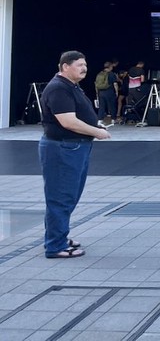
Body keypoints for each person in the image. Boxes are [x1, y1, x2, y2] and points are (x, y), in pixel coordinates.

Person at [39, 51, 111, 258]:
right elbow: (68, 121)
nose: (84, 68)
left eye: (85, 64)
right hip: (63, 148)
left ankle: (58, 236)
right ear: (64, 67)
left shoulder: (71, 86)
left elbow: (77, 115)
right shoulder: (58, 88)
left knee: (68, 196)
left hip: (74, 147)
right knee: (61, 197)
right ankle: (55, 246)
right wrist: (97, 132)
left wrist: (93, 124)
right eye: (79, 65)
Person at [94, 61, 118, 127]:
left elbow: (96, 84)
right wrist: (116, 92)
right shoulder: (111, 74)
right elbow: (115, 84)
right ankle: (113, 119)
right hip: (109, 92)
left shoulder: (99, 74)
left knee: (102, 106)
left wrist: (97, 92)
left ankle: (100, 120)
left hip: (101, 92)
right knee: (112, 105)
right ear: (110, 67)